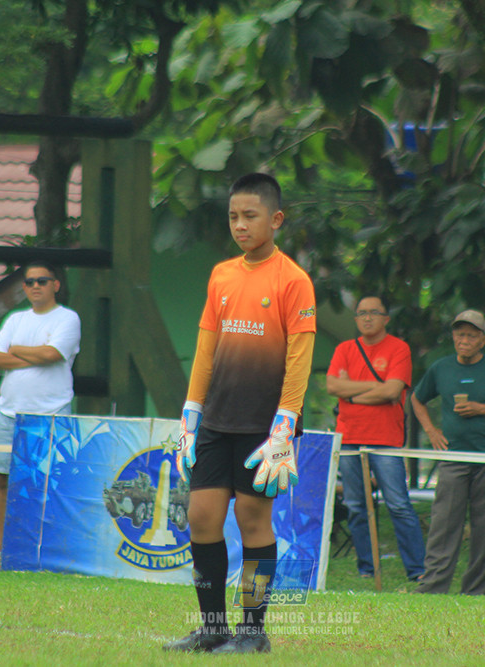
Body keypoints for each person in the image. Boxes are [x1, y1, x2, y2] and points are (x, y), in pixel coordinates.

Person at [163, 173, 316, 655]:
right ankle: (212, 628)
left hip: (264, 425)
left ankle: (253, 632)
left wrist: (285, 424)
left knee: (253, 520)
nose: (240, 225)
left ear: (276, 219)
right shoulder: (221, 275)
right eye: (233, 216)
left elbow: (299, 357)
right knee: (202, 516)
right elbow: (206, 348)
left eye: (250, 216)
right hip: (216, 420)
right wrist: (191, 412)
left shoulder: (294, 280)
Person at [0, 261, 81, 559]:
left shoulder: (67, 318)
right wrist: (34, 356)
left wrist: (17, 349)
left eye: (42, 281)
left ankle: (47, 546)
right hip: (8, 413)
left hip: (51, 412)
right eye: (30, 282)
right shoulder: (15, 319)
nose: (35, 286)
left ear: (55, 285)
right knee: (4, 479)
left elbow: (53, 353)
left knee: (49, 481)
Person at [411, 310, 485, 596]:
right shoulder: (441, 368)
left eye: (471, 336)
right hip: (453, 458)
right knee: (443, 523)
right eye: (460, 334)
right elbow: (417, 398)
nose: (464, 340)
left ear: (482, 340)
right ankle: (433, 587)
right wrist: (432, 432)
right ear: (453, 337)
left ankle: (475, 591)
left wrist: (481, 409)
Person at [326, 295, 424, 582]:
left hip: (386, 439)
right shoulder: (345, 349)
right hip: (349, 438)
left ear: (385, 319)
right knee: (356, 506)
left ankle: (417, 570)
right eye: (361, 313)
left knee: (398, 504)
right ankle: (367, 569)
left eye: (373, 312)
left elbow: (393, 392)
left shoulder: (399, 348)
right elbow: (333, 385)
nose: (367, 318)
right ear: (355, 319)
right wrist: (373, 386)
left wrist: (352, 393)